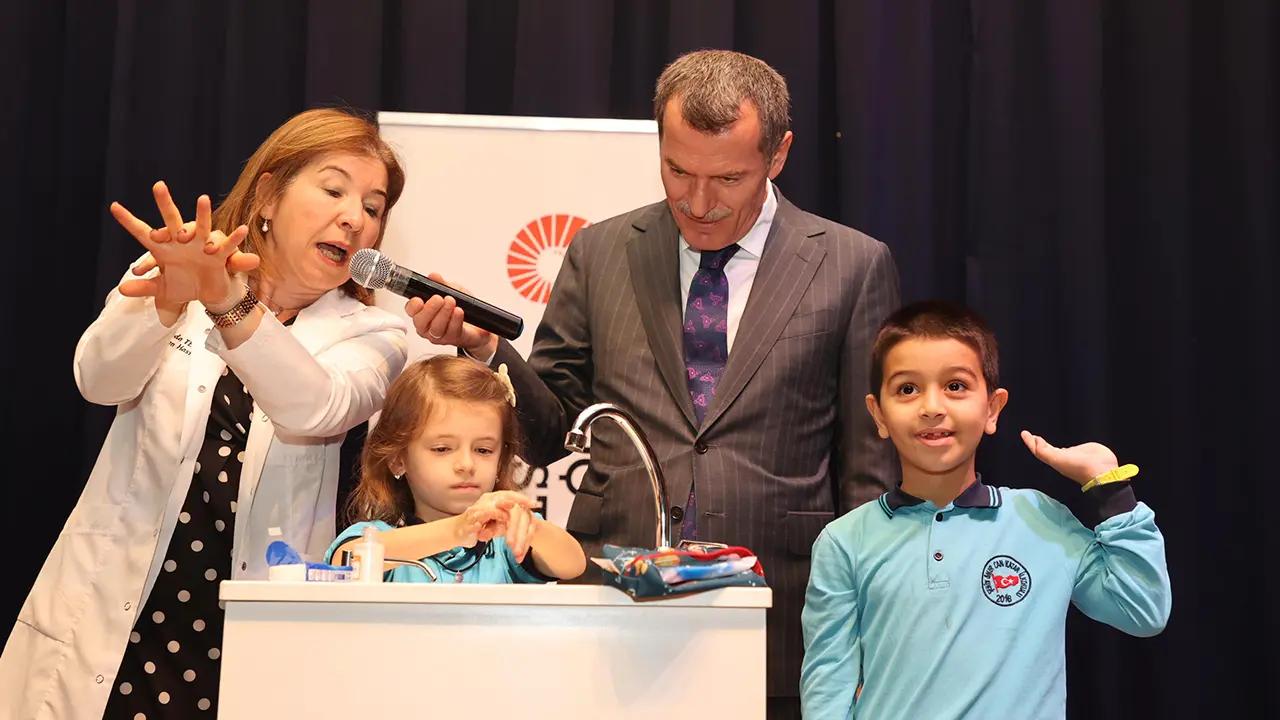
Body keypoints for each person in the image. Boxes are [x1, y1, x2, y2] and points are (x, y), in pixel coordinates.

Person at [405, 49, 900, 716]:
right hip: (609, 603)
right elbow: (549, 434)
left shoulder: (851, 265)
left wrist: (868, 626)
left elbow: (869, 468)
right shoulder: (601, 252)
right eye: (677, 170)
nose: (698, 201)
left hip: (783, 612)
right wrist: (487, 348)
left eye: (728, 178)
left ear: (778, 155)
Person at [0, 108, 409, 720]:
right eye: (334, 191)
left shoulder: (376, 332)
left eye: (374, 208)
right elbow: (98, 380)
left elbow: (313, 408)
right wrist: (166, 305)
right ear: (267, 195)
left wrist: (225, 300)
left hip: (252, 637)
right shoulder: (178, 271)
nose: (355, 218)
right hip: (110, 615)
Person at [800, 301, 1172, 719]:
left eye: (955, 386)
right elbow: (827, 689)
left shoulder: (1040, 519)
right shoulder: (844, 541)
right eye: (907, 389)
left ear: (992, 408)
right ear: (878, 414)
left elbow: (1143, 609)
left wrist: (1111, 487)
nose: (931, 407)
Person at [326, 356, 586, 583]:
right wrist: (458, 530)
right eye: (442, 449)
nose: (466, 465)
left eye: (483, 450)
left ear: (501, 459)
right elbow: (345, 561)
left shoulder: (505, 542)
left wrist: (531, 528)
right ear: (398, 459)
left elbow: (572, 564)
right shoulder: (376, 536)